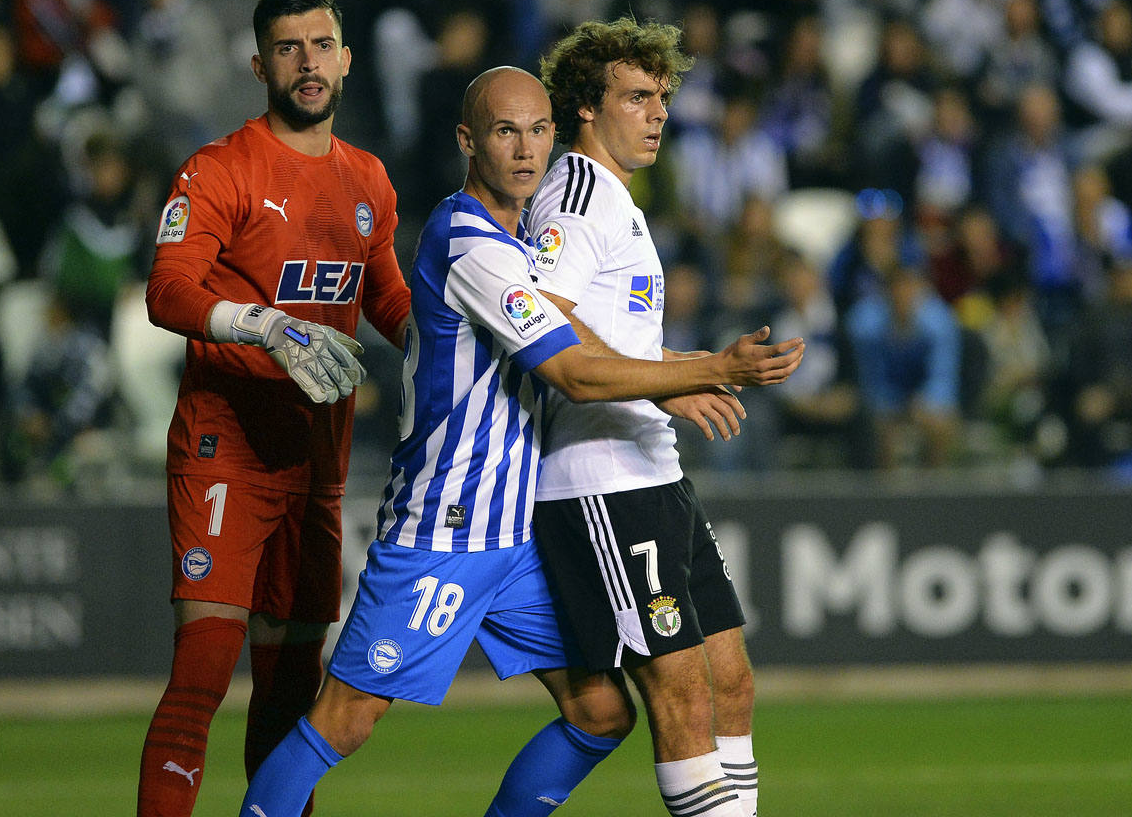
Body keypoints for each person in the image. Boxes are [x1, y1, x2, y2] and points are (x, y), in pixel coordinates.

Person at [239, 65, 803, 817]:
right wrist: (712, 366)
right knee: (345, 719)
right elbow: (571, 371)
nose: (527, 148)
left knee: (602, 714)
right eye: (506, 131)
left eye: (539, 129)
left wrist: (676, 371)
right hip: (445, 527)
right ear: (469, 140)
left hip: (517, 539)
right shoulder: (472, 245)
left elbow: (577, 341)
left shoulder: (524, 240)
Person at [137, 0, 412, 817]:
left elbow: (388, 302)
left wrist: (469, 349)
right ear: (260, 64)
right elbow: (167, 291)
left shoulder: (366, 178)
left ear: (346, 58)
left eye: (321, 45)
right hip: (226, 449)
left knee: (293, 692)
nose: (307, 63)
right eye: (288, 49)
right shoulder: (220, 168)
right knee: (203, 675)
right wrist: (259, 324)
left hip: (314, 465)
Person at [525, 16, 799, 817]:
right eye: (638, 97)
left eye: (663, 97)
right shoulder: (576, 194)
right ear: (584, 106)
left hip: (653, 467)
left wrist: (685, 372)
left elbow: (610, 337)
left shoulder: (617, 199)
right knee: (677, 693)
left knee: (729, 682)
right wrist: (694, 372)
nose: (658, 114)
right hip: (597, 478)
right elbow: (539, 319)